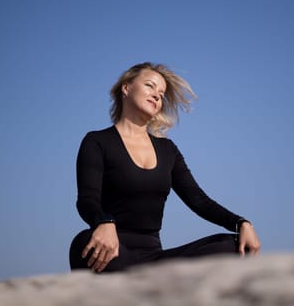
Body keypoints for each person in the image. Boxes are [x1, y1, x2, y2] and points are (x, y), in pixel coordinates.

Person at [69, 62, 261, 273]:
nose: (157, 96)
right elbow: (87, 200)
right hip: (114, 251)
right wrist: (103, 222)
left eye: (161, 94)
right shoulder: (97, 141)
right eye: (150, 86)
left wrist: (241, 223)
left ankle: (148, 282)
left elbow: (199, 200)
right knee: (84, 243)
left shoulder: (167, 150)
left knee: (232, 246)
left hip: (155, 259)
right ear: (126, 88)